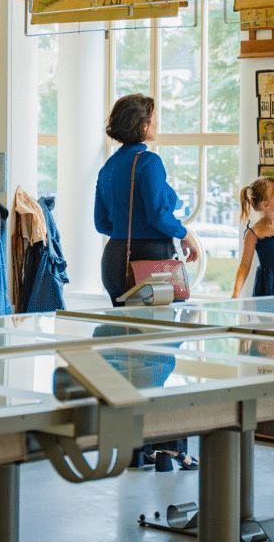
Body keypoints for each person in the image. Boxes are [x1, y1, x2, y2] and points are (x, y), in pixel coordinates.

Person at [94, 93, 199, 472]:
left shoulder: (109, 166)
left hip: (115, 259)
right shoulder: (149, 162)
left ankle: (138, 447)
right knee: (156, 353)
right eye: (154, 117)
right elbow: (157, 214)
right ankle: (167, 445)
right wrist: (184, 233)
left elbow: (102, 222)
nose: (157, 124)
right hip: (150, 261)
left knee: (128, 356)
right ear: (141, 123)